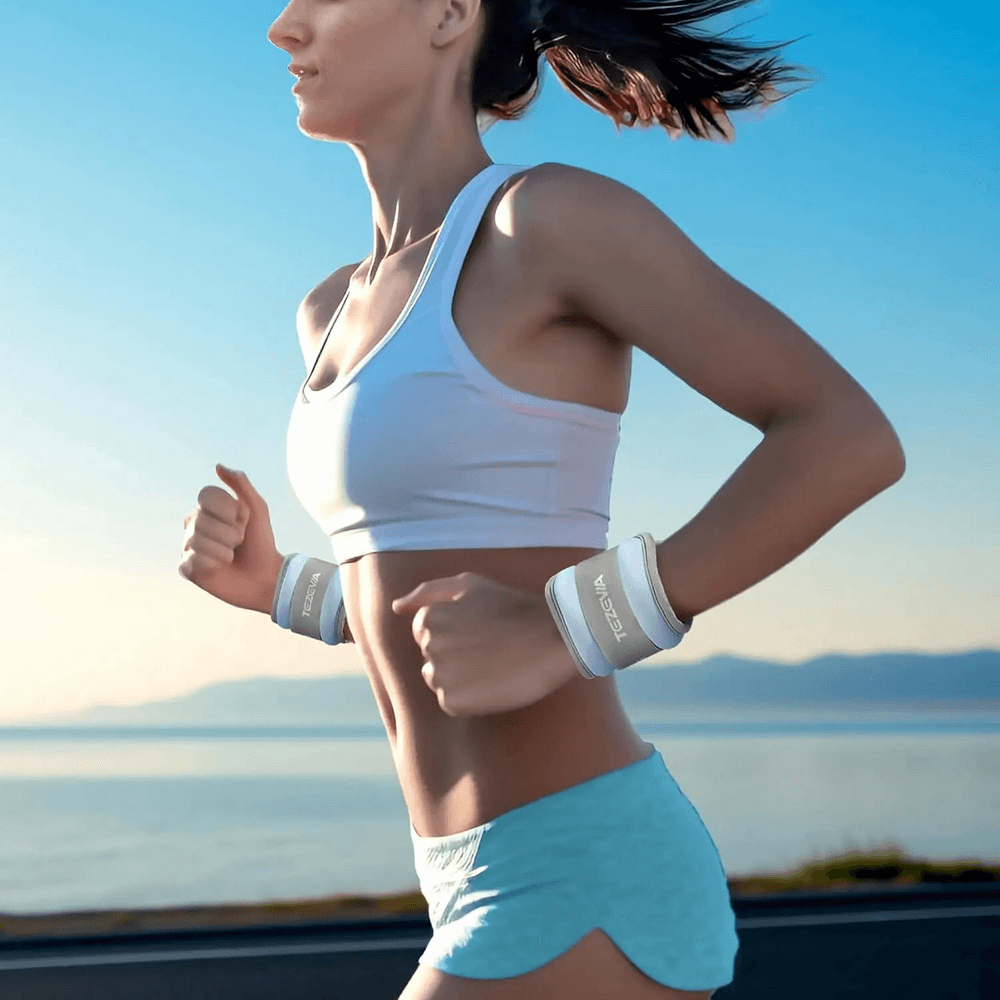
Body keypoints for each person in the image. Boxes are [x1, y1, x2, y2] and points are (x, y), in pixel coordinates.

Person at [179, 1, 906, 997]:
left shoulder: (544, 221)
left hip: (582, 864)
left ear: (447, 13)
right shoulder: (328, 308)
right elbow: (435, 593)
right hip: (456, 871)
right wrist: (281, 590)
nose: (283, 27)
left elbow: (844, 437)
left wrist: (574, 627)